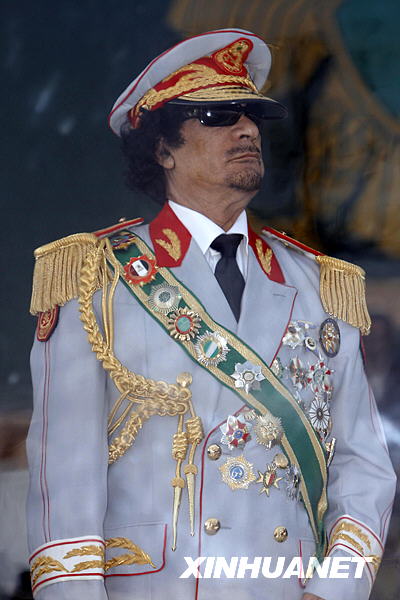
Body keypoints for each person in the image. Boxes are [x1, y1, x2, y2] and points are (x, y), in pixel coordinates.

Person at [27, 28, 396, 600]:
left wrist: (334, 591)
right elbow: (64, 477)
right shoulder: (94, 277)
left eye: (252, 115)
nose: (247, 129)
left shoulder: (322, 285)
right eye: (218, 116)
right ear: (162, 148)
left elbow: (363, 464)